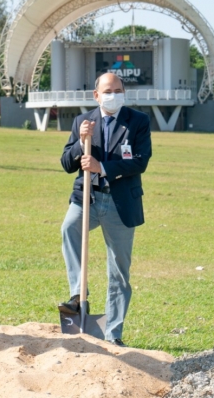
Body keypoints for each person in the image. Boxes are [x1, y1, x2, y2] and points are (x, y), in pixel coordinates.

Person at [59, 72, 152, 347]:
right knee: (68, 228)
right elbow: (66, 163)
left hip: (120, 202)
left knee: (119, 270)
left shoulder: (138, 121)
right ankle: (78, 294)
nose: (113, 95)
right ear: (96, 95)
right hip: (87, 198)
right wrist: (79, 142)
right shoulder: (82, 121)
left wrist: (103, 167)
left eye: (118, 90)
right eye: (108, 91)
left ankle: (113, 333)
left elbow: (140, 161)